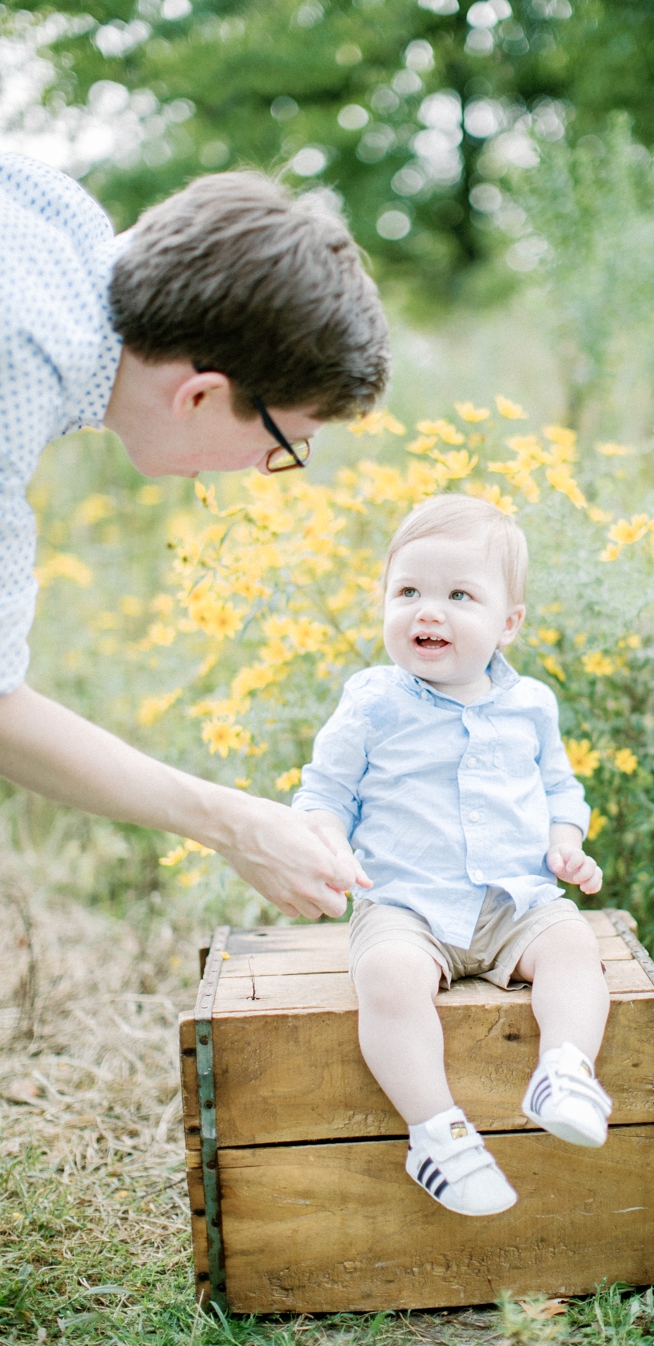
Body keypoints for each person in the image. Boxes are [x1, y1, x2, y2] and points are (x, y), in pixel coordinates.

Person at [0, 152, 390, 920]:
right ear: (201, 395)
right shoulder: (19, 364)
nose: (265, 469)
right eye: (284, 444)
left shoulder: (58, 217)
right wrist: (233, 824)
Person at [292, 494, 612, 1217]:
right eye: (408, 591)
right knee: (387, 977)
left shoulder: (532, 704)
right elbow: (325, 792)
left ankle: (565, 1072)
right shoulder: (372, 700)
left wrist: (566, 844)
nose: (428, 611)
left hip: (514, 901)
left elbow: (560, 789)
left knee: (574, 949)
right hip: (406, 905)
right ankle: (437, 1133)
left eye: (459, 596)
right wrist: (327, 842)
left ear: (509, 623)